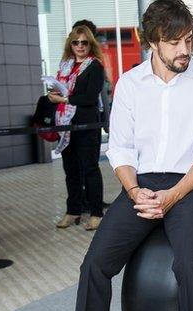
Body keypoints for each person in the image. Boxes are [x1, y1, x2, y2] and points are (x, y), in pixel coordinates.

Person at [69, 0, 193, 311]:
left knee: (189, 265)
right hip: (139, 185)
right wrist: (133, 191)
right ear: (152, 42)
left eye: (189, 40)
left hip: (190, 186)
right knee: (95, 264)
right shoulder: (130, 84)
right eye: (174, 42)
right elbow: (121, 148)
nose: (184, 50)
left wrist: (173, 196)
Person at [50, 25, 105, 231]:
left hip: (86, 125)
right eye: (76, 42)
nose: (80, 46)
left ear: (90, 44)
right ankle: (73, 211)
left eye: (84, 42)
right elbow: (60, 90)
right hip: (65, 124)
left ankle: (96, 213)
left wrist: (64, 97)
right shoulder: (65, 66)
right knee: (70, 170)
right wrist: (52, 95)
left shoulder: (94, 66)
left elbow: (90, 98)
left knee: (90, 169)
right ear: (70, 44)